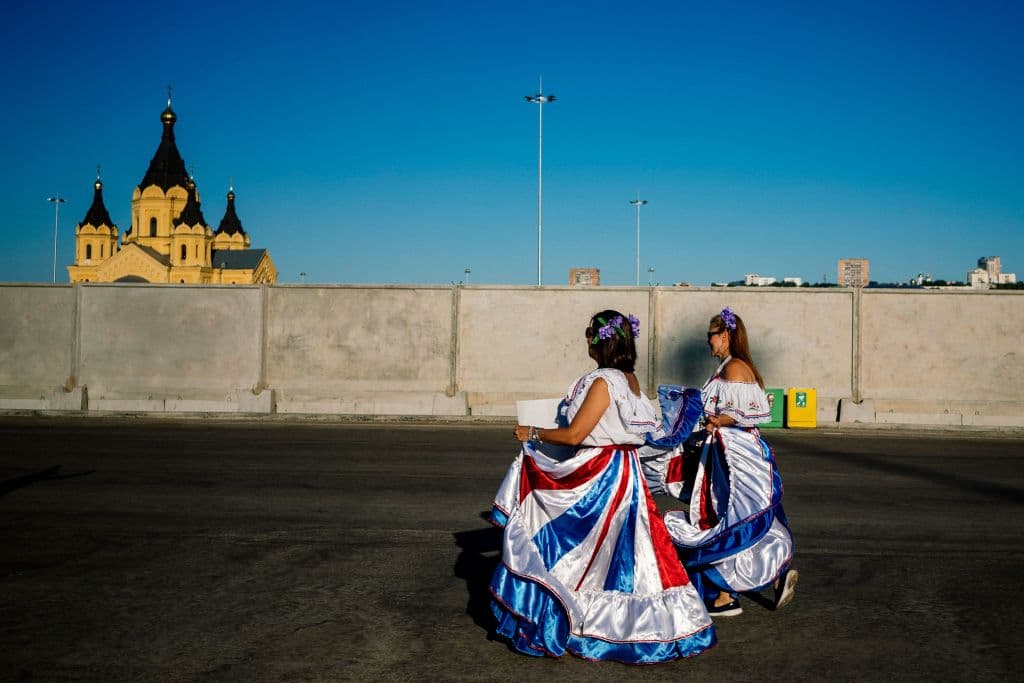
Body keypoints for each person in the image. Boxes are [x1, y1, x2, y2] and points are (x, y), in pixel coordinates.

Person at [488, 310, 716, 663]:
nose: (586, 343)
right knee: (631, 553)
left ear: (600, 342)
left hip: (599, 473)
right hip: (627, 472)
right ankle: (650, 626)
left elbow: (576, 434)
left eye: (588, 336)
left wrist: (532, 432)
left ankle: (575, 617)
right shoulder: (630, 380)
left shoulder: (602, 382)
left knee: (569, 543)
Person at [662, 306, 797, 617]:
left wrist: (716, 421)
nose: (707, 342)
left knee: (731, 519)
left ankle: (727, 595)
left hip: (734, 457)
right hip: (737, 453)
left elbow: (743, 413)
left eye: (710, 336)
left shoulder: (733, 369)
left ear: (724, 336)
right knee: (744, 517)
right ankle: (765, 579)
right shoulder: (734, 366)